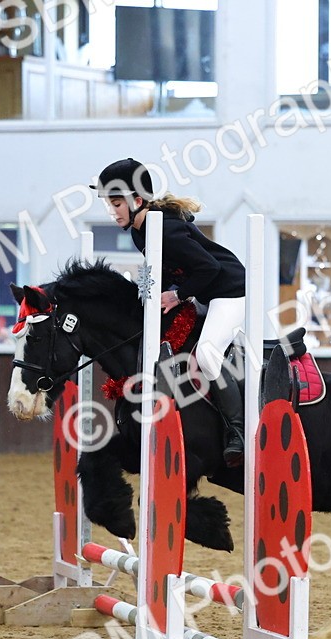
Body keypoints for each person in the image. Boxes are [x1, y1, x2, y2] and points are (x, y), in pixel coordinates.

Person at [91, 157, 247, 466]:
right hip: (205, 294)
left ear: (137, 200)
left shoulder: (165, 230)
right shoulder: (139, 231)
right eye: (109, 203)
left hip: (231, 291)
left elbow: (209, 267)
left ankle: (237, 431)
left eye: (117, 203)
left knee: (206, 354)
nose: (113, 211)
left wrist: (176, 296)